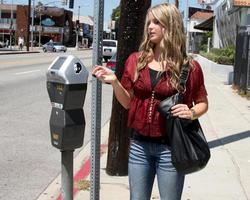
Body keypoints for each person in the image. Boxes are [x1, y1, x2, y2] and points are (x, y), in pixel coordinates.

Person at [93, 3, 208, 200]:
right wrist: (114, 82)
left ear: (170, 26)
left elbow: (202, 102)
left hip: (171, 148)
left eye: (157, 22)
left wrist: (191, 112)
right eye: (149, 22)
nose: (150, 27)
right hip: (139, 146)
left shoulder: (189, 67)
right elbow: (128, 103)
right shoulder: (136, 60)